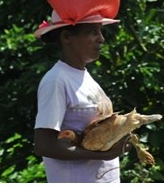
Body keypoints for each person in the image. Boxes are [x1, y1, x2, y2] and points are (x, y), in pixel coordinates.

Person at [32, 11, 131, 183]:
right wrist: (103, 155)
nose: (101, 39)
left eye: (100, 31)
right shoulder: (56, 81)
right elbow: (44, 145)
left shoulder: (83, 77)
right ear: (67, 37)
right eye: (92, 32)